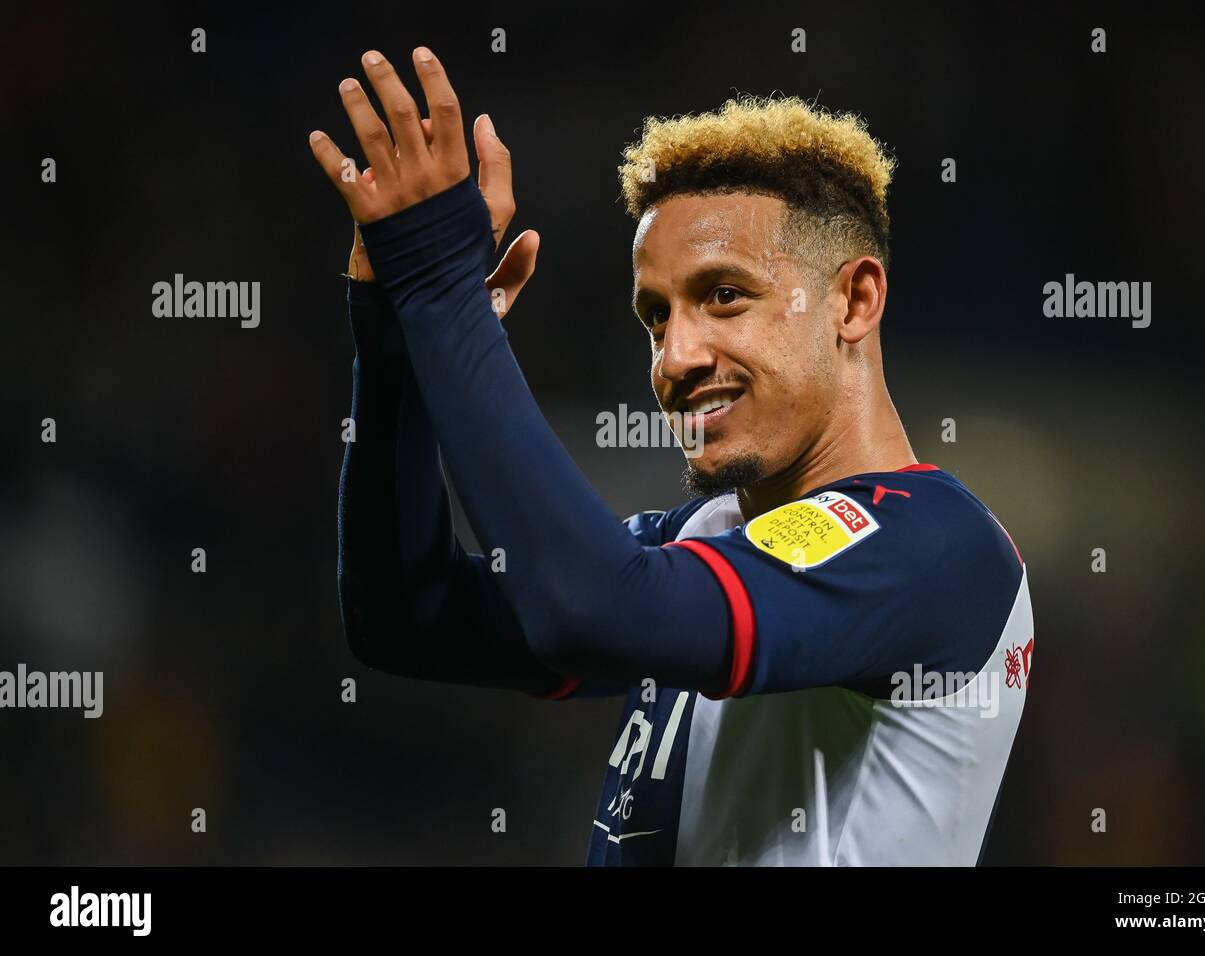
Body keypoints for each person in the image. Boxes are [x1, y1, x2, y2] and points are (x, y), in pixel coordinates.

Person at [310, 46, 1034, 866]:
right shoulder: (708, 535)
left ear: (854, 299)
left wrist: (446, 298)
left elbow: (595, 606)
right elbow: (408, 619)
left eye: (724, 296)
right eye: (657, 316)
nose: (675, 357)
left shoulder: (938, 548)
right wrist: (401, 341)